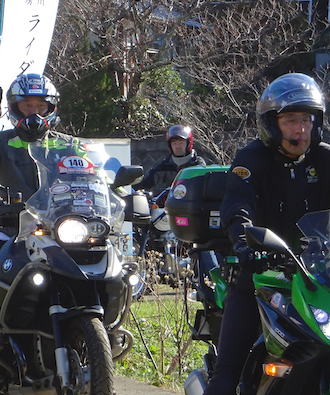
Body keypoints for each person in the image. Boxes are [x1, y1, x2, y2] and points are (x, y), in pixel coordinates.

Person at [0, 73, 95, 378]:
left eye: (40, 106)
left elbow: (99, 176)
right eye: (27, 106)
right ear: (14, 108)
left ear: (51, 108)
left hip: (63, 229)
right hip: (13, 227)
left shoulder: (70, 146)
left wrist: (119, 192)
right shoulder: (0, 140)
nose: (34, 112)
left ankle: (93, 336)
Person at [204, 73, 330, 395]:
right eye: (291, 120)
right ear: (272, 125)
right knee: (227, 374)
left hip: (316, 277)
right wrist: (245, 242)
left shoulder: (325, 158)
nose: (300, 129)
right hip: (262, 275)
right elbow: (237, 204)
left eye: (306, 120)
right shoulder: (252, 158)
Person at [135, 125, 205, 195]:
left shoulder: (197, 164)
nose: (178, 146)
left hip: (193, 201)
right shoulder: (166, 165)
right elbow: (148, 179)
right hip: (171, 201)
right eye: (174, 143)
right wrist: (132, 186)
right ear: (170, 146)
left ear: (188, 143)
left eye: (181, 143)